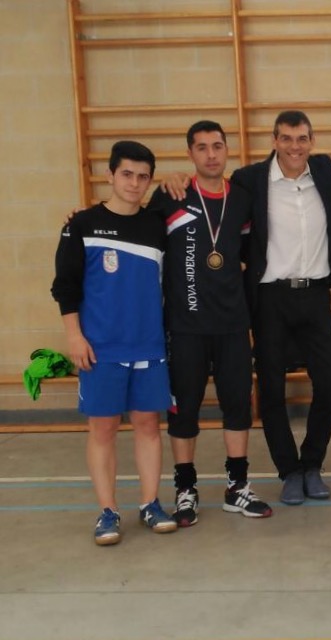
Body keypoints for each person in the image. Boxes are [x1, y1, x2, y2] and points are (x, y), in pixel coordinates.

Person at [52, 140, 176, 545]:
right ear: (110, 175)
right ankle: (108, 512)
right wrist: (74, 336)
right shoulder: (82, 224)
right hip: (100, 348)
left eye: (143, 177)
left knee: (148, 426)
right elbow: (65, 286)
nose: (134, 183)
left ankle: (150, 503)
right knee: (103, 429)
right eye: (127, 174)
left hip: (149, 346)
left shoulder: (157, 226)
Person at [147, 121, 271, 525]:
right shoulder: (171, 196)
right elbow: (134, 228)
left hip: (233, 324)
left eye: (217, 146)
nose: (211, 154)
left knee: (237, 406)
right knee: (184, 412)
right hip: (184, 327)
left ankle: (237, 488)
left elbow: (249, 253)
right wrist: (84, 216)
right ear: (190, 154)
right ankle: (185, 490)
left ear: (227, 149)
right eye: (202, 148)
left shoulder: (242, 199)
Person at [230, 110, 331, 505]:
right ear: (274, 140)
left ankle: (312, 464)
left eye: (302, 138)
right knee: (270, 389)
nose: (294, 146)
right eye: (286, 138)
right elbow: (213, 204)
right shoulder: (249, 180)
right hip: (270, 298)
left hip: (316, 294)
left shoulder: (329, 174)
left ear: (312, 141)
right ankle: (289, 471)